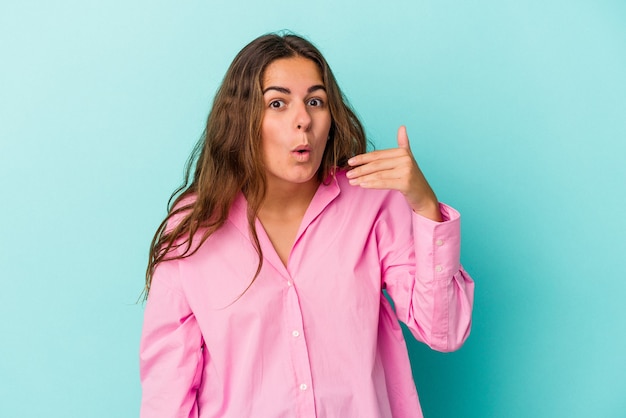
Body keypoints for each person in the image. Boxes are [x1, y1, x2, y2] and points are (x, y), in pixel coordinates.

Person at [139, 32, 474, 418]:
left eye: (315, 101)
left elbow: (444, 332)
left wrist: (424, 204)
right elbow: (167, 393)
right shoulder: (193, 229)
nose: (303, 120)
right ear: (240, 116)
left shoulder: (372, 203)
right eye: (278, 103)